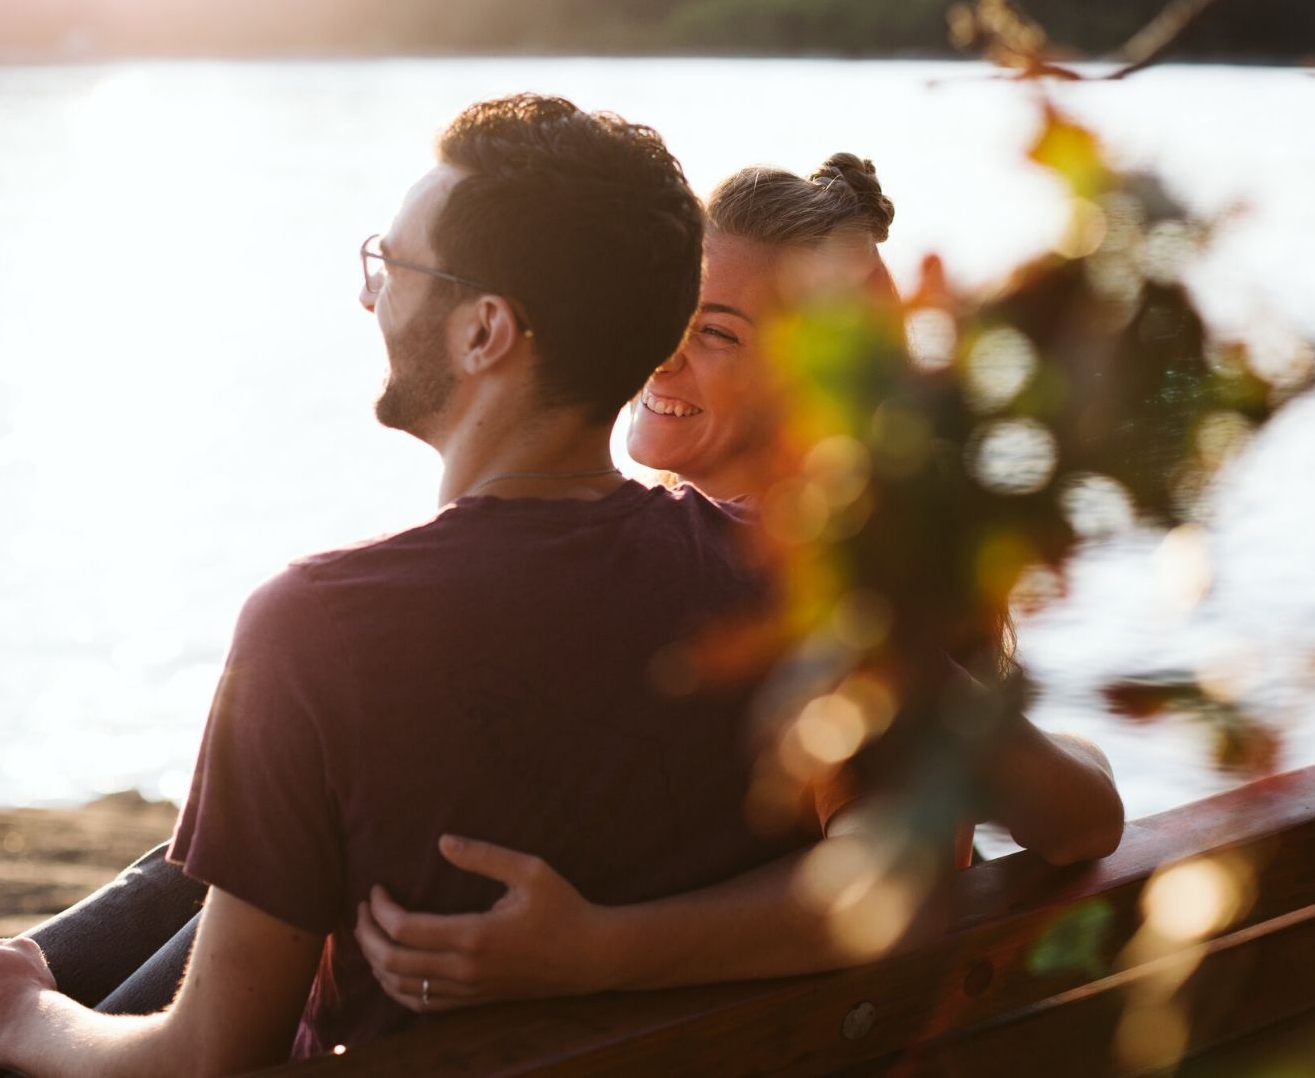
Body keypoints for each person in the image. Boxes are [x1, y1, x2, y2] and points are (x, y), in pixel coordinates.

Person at [0, 95, 806, 1078]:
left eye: (390, 266)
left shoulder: (323, 626)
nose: (370, 299)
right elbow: (906, 867)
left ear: (483, 332)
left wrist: (18, 1016)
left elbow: (203, 1056)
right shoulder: (772, 569)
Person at [349, 153, 1124, 1013]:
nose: (665, 356)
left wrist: (597, 950)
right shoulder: (651, 544)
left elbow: (1039, 832)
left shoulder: (838, 595)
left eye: (717, 334)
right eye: (672, 315)